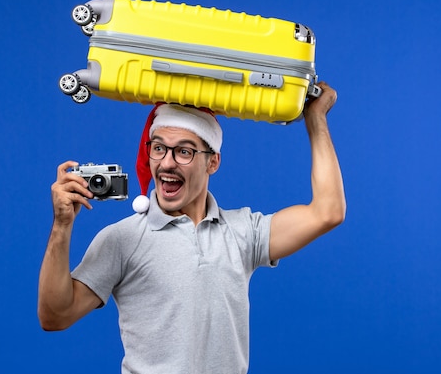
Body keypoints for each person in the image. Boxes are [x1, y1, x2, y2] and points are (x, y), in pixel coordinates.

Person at [38, 82, 346, 373]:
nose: (167, 163)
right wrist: (62, 226)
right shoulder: (123, 239)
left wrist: (315, 117)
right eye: (158, 149)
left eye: (184, 151)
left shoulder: (243, 232)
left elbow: (327, 211)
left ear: (212, 163)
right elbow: (55, 316)